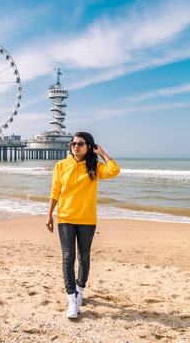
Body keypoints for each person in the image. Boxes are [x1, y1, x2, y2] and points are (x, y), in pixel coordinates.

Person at [45, 132, 120, 319]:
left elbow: (114, 170)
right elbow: (55, 191)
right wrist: (49, 215)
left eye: (80, 143)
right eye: (73, 143)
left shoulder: (94, 166)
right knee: (68, 257)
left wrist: (102, 153)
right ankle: (71, 298)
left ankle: (80, 290)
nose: (75, 146)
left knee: (84, 257)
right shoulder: (61, 165)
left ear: (89, 146)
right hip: (66, 218)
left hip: (87, 220)